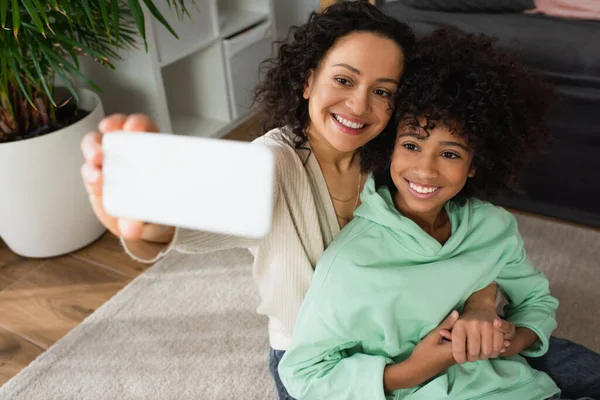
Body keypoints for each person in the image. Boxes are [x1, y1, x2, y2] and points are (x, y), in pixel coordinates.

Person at [79, 2, 598, 399]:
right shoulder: (276, 164)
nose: (358, 104)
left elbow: (468, 248)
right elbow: (179, 224)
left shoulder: (393, 156)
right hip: (324, 363)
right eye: (345, 80)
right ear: (308, 79)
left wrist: (486, 300)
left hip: (432, 329)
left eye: (383, 91)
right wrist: (136, 220)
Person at [278, 28, 597, 400]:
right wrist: (414, 369)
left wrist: (504, 336)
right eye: (411, 145)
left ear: (475, 164)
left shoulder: (491, 227)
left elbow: (537, 301)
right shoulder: (352, 262)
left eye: (450, 154)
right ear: (389, 148)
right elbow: (303, 375)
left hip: (521, 387)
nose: (426, 171)